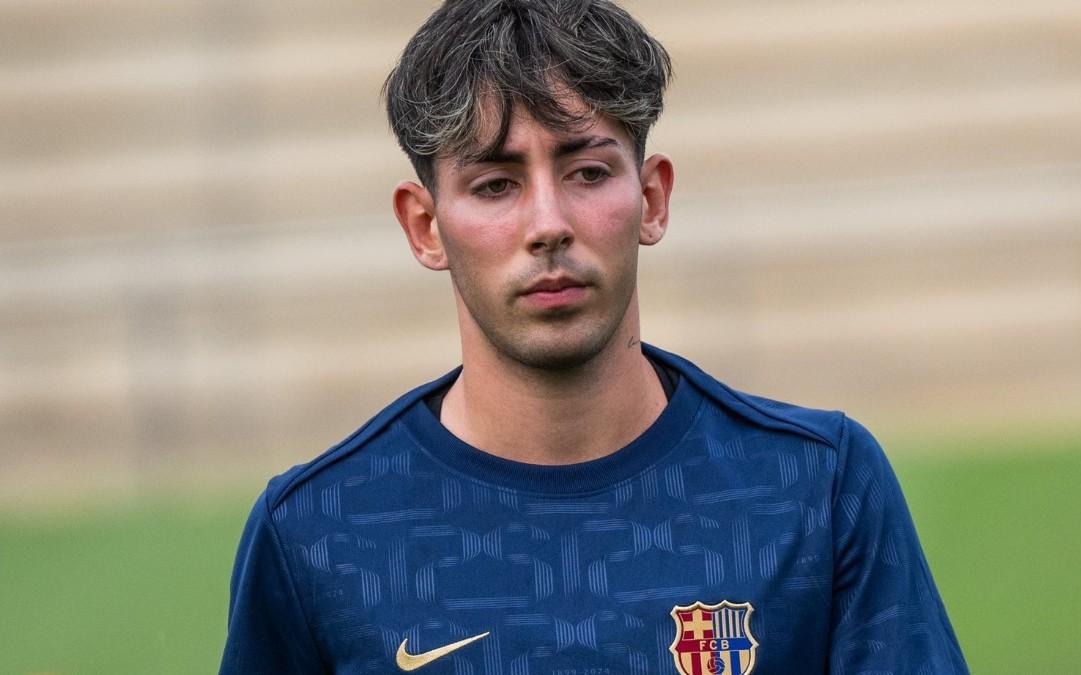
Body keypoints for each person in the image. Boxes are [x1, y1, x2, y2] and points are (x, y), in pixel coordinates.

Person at [220, 1, 969, 673]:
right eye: (495, 184)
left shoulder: (816, 486)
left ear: (650, 198)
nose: (548, 223)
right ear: (425, 225)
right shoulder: (318, 532)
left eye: (586, 171)